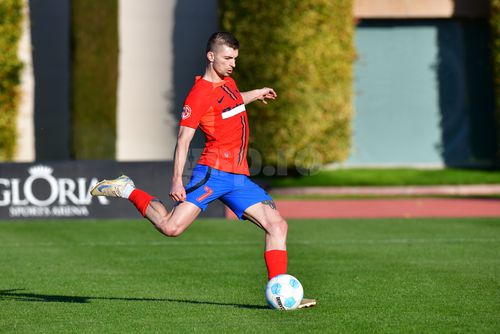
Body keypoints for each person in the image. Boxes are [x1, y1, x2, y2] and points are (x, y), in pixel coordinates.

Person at [91, 31, 315, 308]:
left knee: (277, 225)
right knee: (171, 228)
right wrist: (176, 181)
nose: (232, 64)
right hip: (213, 173)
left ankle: (281, 296)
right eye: (227, 58)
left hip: (238, 178)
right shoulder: (198, 95)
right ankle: (128, 189)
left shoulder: (229, 83)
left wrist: (255, 94)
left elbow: (230, 105)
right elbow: (183, 140)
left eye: (235, 59)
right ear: (211, 57)